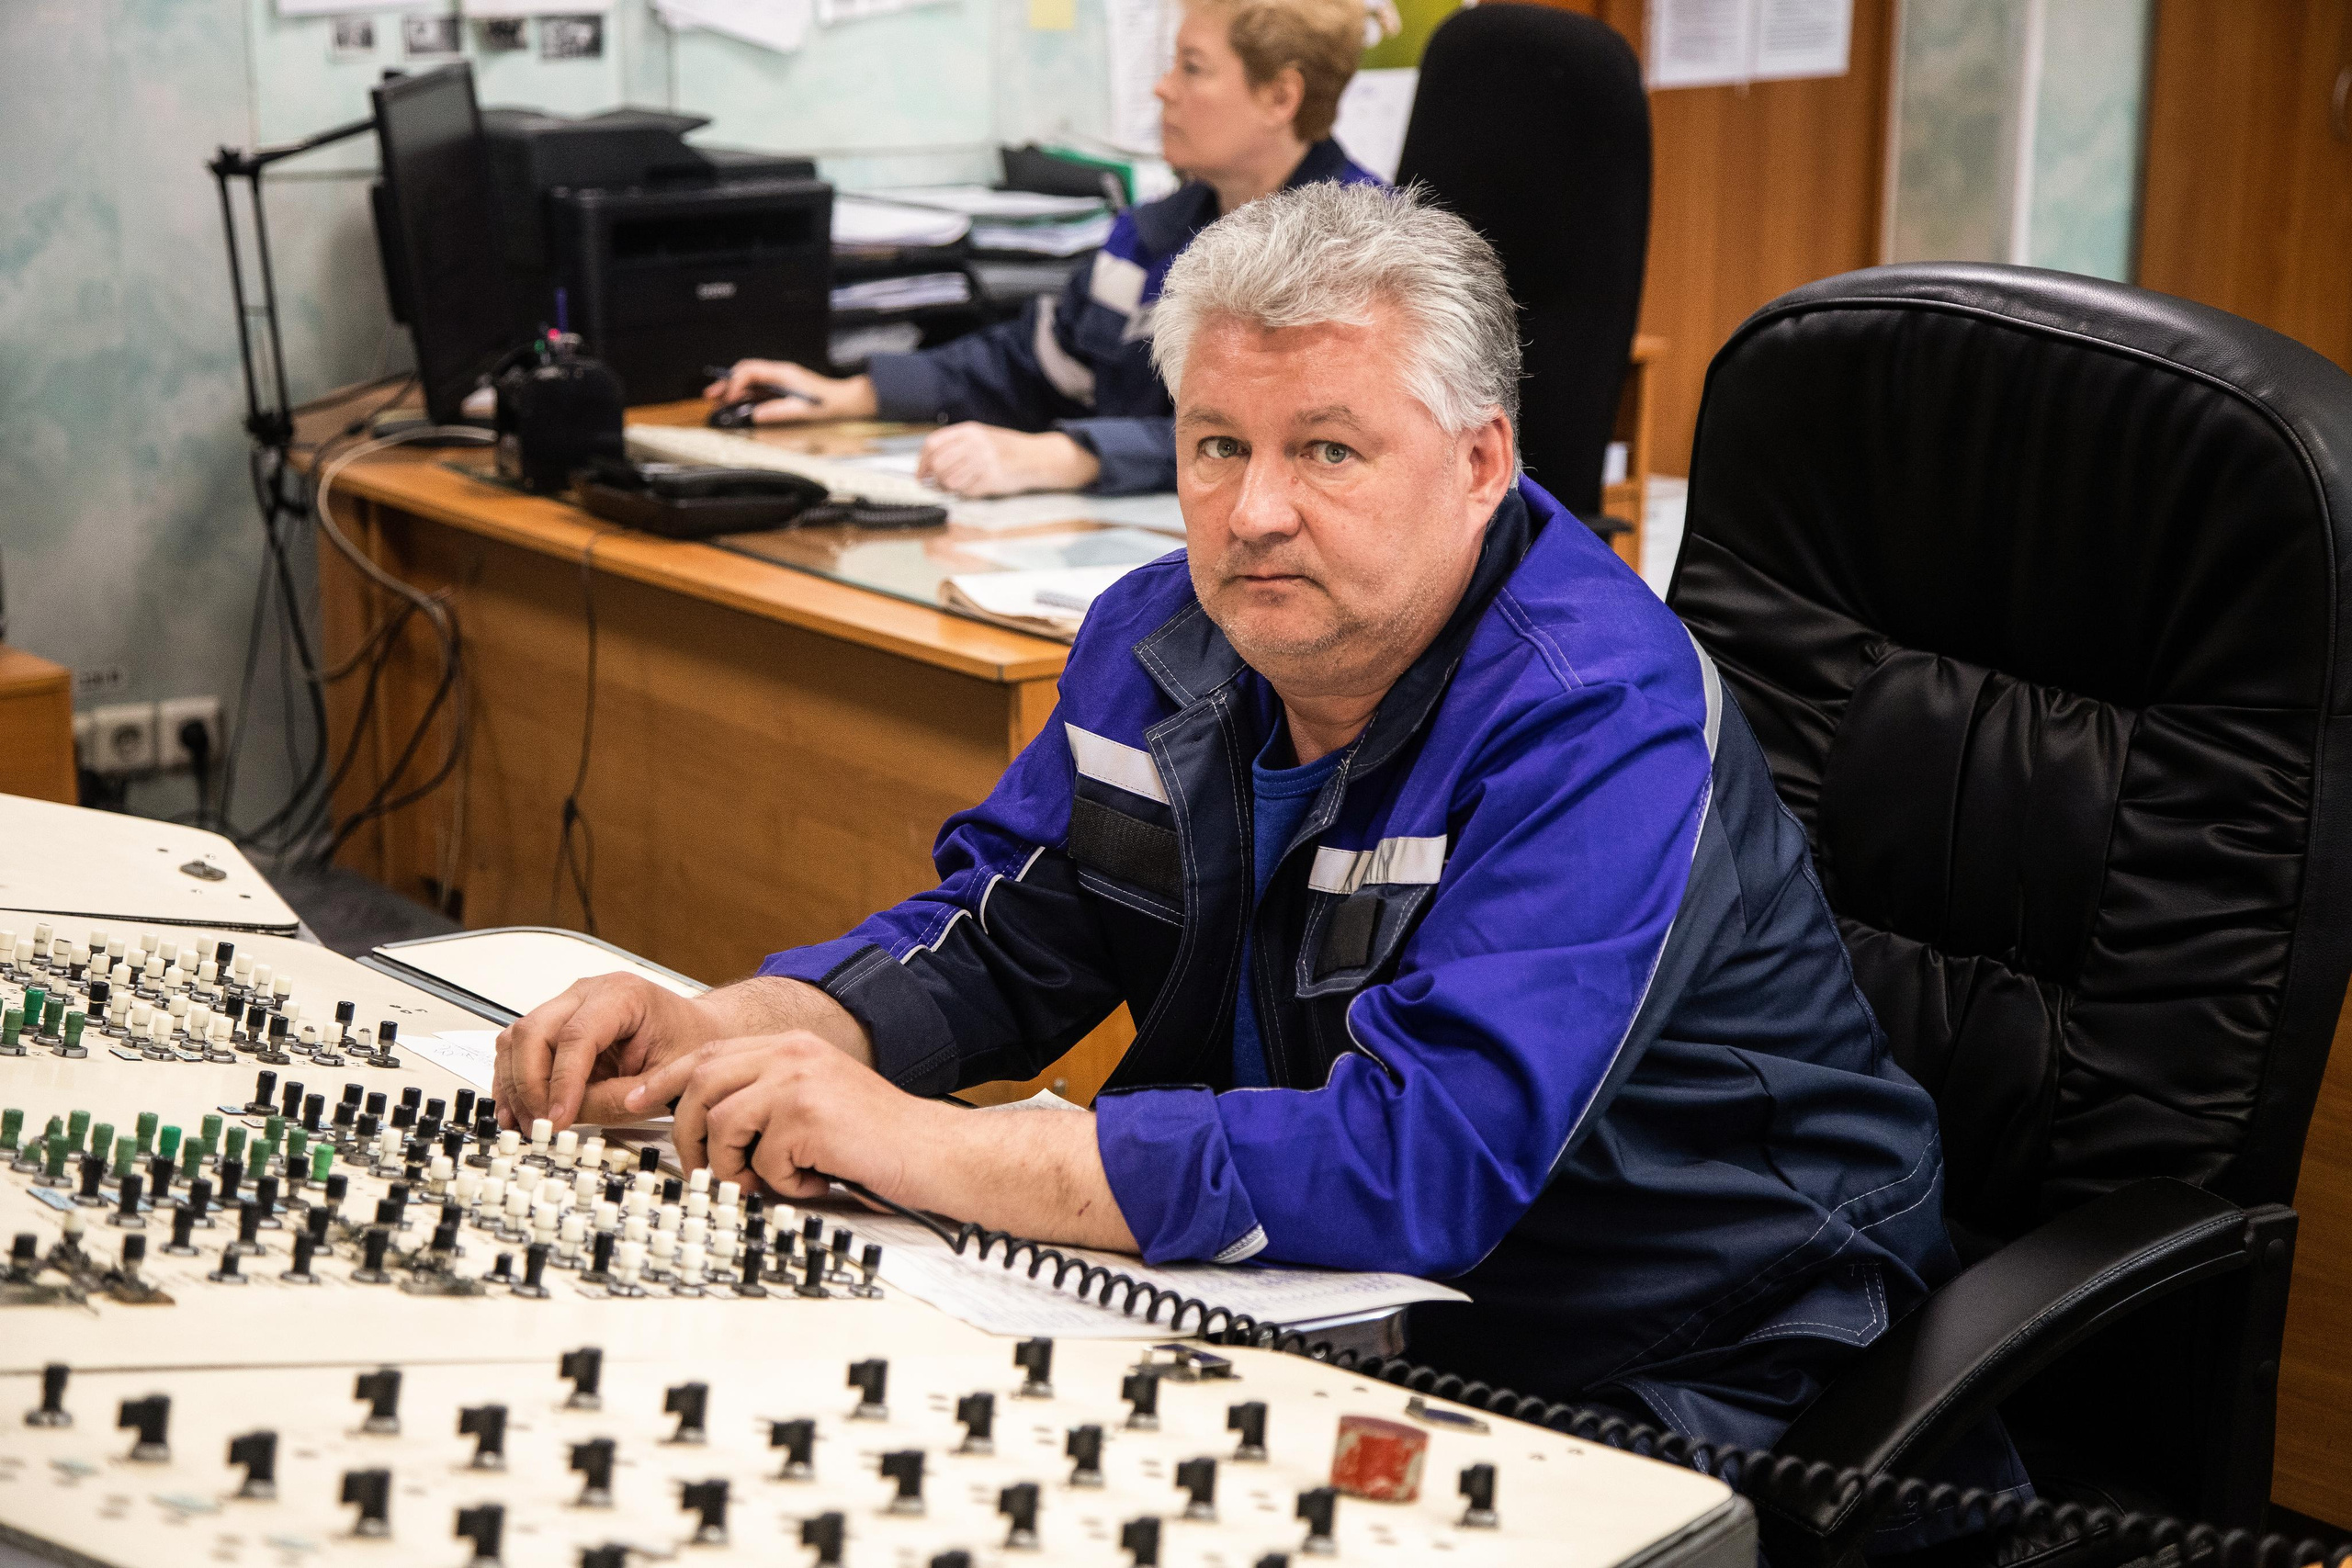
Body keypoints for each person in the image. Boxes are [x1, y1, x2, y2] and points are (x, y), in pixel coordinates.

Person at [502, 184, 2024, 1548]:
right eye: (1218, 446)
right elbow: (1008, 931)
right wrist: (758, 1018)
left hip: (1687, 1328)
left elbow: (1420, 1157)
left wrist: (928, 1146)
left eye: (1329, 451)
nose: (1256, 512)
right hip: (1315, 1299)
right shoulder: (1161, 633)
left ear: (1481, 459)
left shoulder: (1595, 712)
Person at [704, 0, 1377, 499]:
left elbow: (1288, 444)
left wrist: (1069, 456)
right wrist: (856, 392)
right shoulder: (1150, 236)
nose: (1163, 87)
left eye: (1192, 68)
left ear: (1280, 96)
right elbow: (1038, 362)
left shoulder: (1362, 255)